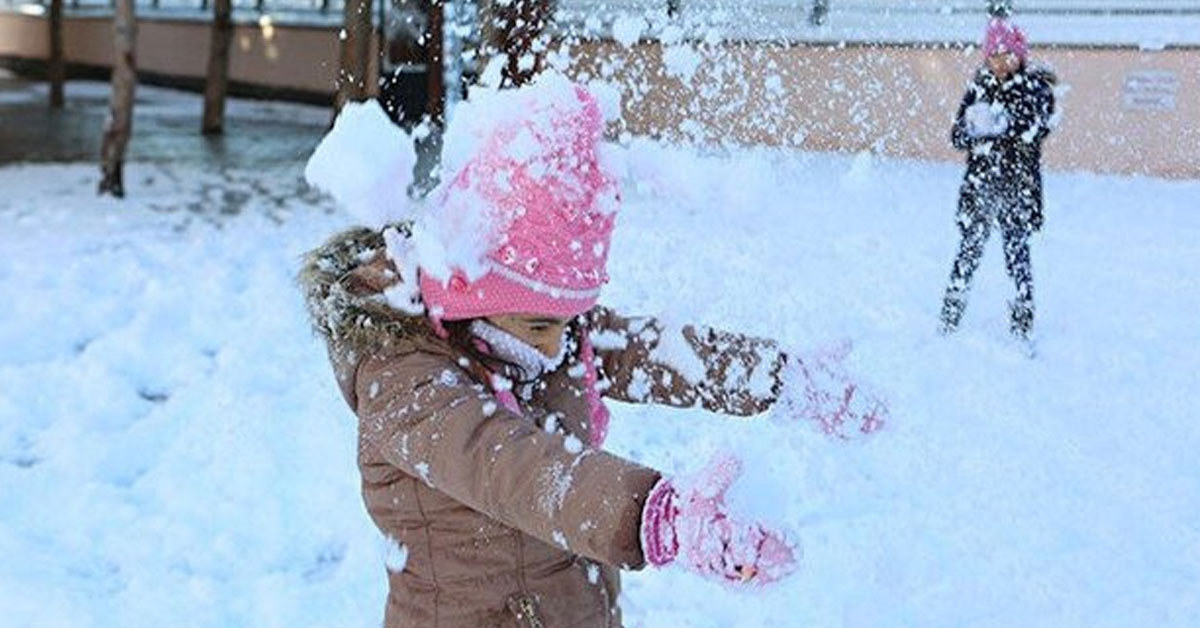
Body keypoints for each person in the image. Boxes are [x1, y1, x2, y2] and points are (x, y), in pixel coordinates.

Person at [300, 77, 887, 627]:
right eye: (538, 324)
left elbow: (653, 351)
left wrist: (777, 376)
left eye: (569, 320)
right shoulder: (405, 379)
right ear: (467, 295)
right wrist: (657, 516)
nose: (557, 345)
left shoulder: (535, 336)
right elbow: (514, 466)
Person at [939, 17, 1057, 345]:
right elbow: (957, 136)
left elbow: (1036, 127)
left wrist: (999, 124)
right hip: (981, 187)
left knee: (1017, 251)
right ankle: (951, 312)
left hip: (1018, 187)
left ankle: (1022, 320)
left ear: (1020, 55)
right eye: (993, 55)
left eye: (1007, 54)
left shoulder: (1035, 87)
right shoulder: (979, 87)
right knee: (968, 250)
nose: (1000, 61)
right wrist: (973, 128)